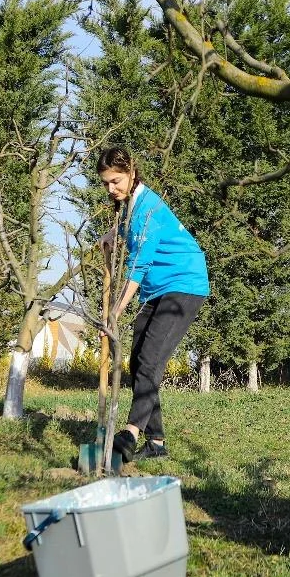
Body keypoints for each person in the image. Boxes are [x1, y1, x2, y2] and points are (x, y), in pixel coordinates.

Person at [97, 147, 210, 462]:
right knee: (138, 362)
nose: (111, 189)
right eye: (106, 183)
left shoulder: (149, 209)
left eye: (116, 181)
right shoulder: (132, 207)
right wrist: (113, 232)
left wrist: (114, 313)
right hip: (156, 291)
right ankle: (156, 442)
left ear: (132, 173)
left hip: (184, 285)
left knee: (150, 360)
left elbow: (138, 268)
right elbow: (128, 230)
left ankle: (130, 433)